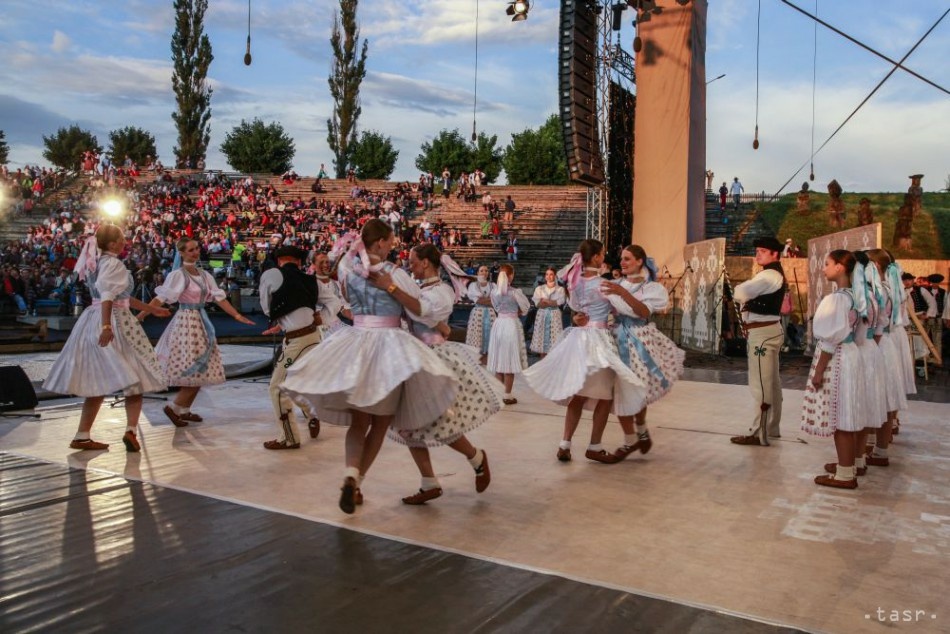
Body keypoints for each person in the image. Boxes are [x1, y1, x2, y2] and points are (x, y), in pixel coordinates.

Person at [281, 220, 458, 514]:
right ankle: (358, 480)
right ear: (378, 244)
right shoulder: (394, 273)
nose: (393, 246)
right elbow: (418, 308)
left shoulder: (350, 271)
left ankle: (351, 473)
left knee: (358, 421)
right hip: (387, 345)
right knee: (380, 423)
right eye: (390, 242)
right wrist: (436, 321)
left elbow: (348, 301)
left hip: (357, 341)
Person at [374, 244, 502, 505]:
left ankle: (476, 458)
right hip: (412, 357)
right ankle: (429, 481)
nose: (409, 265)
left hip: (433, 357)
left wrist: (392, 288)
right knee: (410, 424)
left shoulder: (441, 291)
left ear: (426, 263)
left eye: (413, 261)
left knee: (438, 420)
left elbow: (424, 314)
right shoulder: (416, 288)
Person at [44, 225, 170, 452]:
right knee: (136, 378)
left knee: (99, 379)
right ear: (112, 244)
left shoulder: (97, 263)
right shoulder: (113, 264)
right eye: (121, 239)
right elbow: (109, 297)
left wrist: (152, 310)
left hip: (93, 318)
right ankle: (130, 430)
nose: (125, 241)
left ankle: (83, 434)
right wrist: (106, 325)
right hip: (115, 321)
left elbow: (123, 297)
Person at [523, 240, 646, 463]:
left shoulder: (575, 284)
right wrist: (624, 297)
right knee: (606, 396)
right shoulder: (604, 285)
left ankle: (565, 443)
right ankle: (595, 445)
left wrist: (578, 316)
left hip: (578, 339)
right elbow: (630, 310)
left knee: (578, 395)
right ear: (597, 258)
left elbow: (577, 311)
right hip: (598, 339)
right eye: (602, 255)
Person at [146, 238, 255, 427]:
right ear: (181, 253)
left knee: (201, 366)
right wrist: (141, 314)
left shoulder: (204, 275)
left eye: (197, 249)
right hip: (186, 322)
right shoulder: (178, 275)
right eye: (190, 250)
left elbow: (219, 298)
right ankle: (174, 407)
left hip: (199, 321)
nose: (195, 252)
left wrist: (237, 316)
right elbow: (161, 298)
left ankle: (184, 409)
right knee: (194, 367)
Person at [600, 245, 685, 460]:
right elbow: (604, 309)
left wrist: (622, 293)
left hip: (638, 340)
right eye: (622, 259)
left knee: (637, 391)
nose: (623, 262)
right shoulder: (615, 285)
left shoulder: (651, 288)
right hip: (615, 338)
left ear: (640, 261)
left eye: (627, 259)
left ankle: (641, 429)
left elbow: (643, 311)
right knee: (620, 391)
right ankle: (631, 440)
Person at [801, 250, 864, 489]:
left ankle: (845, 475)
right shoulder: (855, 296)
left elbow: (829, 340)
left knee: (841, 418)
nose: (823, 268)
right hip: (850, 354)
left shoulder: (837, 299)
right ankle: (847, 465)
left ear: (840, 267)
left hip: (838, 358)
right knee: (845, 414)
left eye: (827, 264)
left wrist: (818, 371)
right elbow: (858, 334)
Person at [258, 245, 322, 450]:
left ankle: (290, 437)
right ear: (300, 262)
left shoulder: (271, 275)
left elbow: (267, 308)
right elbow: (335, 304)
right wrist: (316, 319)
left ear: (279, 261)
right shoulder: (312, 280)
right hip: (310, 337)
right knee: (291, 383)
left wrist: (283, 319)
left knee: (277, 387)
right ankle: (312, 413)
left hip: (298, 340)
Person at [730, 236, 786, 446]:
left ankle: (759, 432)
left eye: (763, 251)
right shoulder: (771, 274)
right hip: (766, 332)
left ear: (774, 254)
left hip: (763, 334)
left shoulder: (770, 275)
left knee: (760, 384)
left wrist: (743, 294)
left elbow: (740, 292)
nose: (758, 254)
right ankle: (771, 427)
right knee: (771, 382)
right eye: (758, 250)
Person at [487, 263, 530, 405]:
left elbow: (496, 307)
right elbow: (526, 307)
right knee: (509, 361)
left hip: (499, 324)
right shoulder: (515, 292)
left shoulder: (494, 292)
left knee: (500, 360)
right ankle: (507, 394)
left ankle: (499, 393)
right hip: (511, 324)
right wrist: (515, 313)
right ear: (511, 275)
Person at [530, 267, 566, 358]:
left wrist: (546, 301)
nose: (548, 276)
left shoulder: (560, 289)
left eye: (551, 274)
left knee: (554, 342)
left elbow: (558, 303)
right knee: (542, 343)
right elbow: (538, 304)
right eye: (547, 274)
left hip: (555, 316)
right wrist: (551, 302)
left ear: (555, 276)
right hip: (542, 315)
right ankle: (542, 366)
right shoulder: (539, 289)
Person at [465, 265, 496, 365]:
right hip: (477, 315)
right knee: (477, 338)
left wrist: (486, 300)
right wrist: (489, 300)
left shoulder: (494, 286)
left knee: (491, 337)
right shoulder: (473, 285)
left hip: (491, 315)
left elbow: (496, 301)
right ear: (477, 273)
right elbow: (478, 300)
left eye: (486, 270)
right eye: (481, 270)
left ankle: (488, 362)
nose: (484, 272)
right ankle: (477, 362)